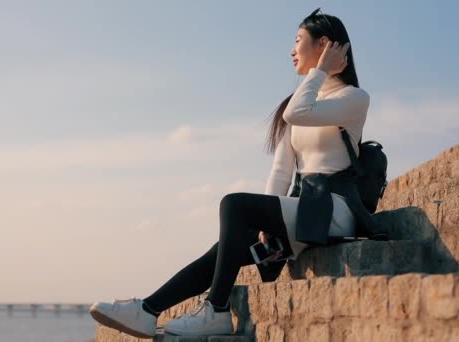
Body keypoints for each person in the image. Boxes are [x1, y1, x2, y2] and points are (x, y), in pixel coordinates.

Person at [89, 8, 367, 338]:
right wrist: (267, 221)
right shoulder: (303, 101)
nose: (291, 51)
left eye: (298, 41)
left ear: (324, 44)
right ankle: (147, 310)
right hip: (302, 210)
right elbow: (281, 171)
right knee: (224, 248)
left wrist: (319, 71)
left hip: (333, 211)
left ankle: (216, 309)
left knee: (234, 204)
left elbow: (298, 112)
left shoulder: (354, 98)